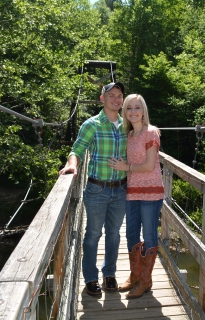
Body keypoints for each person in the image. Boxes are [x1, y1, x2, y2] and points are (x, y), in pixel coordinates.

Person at [58, 82, 128, 296]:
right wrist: (72, 164)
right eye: (111, 95)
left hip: (121, 189)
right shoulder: (92, 124)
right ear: (102, 99)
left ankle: (110, 274)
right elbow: (77, 149)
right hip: (97, 189)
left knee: (114, 234)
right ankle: (90, 277)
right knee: (93, 234)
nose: (116, 99)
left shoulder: (128, 125)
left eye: (119, 96)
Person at [108, 94, 164, 299]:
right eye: (129, 108)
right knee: (131, 234)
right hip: (132, 191)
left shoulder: (151, 133)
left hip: (151, 191)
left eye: (137, 107)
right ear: (125, 111)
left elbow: (149, 165)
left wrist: (126, 167)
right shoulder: (129, 135)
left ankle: (146, 282)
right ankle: (135, 275)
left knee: (149, 235)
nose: (133, 111)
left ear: (144, 110)